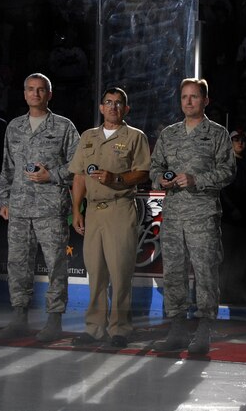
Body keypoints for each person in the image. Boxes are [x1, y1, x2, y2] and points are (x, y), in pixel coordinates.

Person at [150, 78, 236, 354]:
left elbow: (228, 172)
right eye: (184, 97)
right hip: (173, 215)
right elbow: (154, 168)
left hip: (203, 215)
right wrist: (160, 180)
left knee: (205, 272)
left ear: (205, 100)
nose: (188, 102)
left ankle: (204, 329)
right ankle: (176, 327)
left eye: (194, 97)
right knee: (173, 272)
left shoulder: (217, 134)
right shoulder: (169, 134)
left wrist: (196, 179)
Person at [0, 73, 80, 342]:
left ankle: (54, 321)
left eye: (41, 90)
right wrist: (4, 200)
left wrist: (51, 175)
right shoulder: (14, 127)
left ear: (49, 94)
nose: (35, 94)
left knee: (56, 264)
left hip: (50, 208)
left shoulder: (64, 127)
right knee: (17, 264)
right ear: (24, 94)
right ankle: (19, 318)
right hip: (19, 208)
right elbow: (7, 168)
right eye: (30, 89)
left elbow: (78, 167)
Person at [69, 87, 151, 348]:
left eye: (119, 103)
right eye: (108, 102)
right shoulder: (88, 137)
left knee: (120, 272)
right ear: (101, 107)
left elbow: (143, 172)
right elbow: (79, 176)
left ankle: (120, 329)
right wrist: (76, 210)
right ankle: (94, 329)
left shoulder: (135, 137)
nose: (113, 107)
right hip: (93, 211)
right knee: (95, 272)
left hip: (120, 207)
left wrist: (116, 178)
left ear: (126, 109)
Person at [220, 129, 246, 305]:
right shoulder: (223, 163)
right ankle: (222, 293)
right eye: (235, 139)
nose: (240, 143)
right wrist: (231, 210)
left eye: (243, 139)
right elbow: (221, 190)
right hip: (229, 220)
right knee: (226, 258)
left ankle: (235, 293)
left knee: (241, 259)